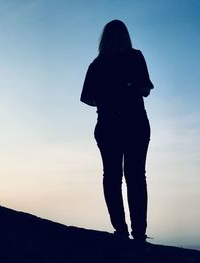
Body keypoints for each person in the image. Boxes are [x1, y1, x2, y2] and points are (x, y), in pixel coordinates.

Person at [80, 20, 154, 241]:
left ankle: (121, 230)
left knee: (113, 177)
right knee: (136, 177)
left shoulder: (97, 64)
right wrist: (127, 88)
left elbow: (86, 98)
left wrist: (107, 96)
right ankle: (138, 232)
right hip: (134, 123)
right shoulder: (135, 57)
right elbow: (146, 90)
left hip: (109, 125)